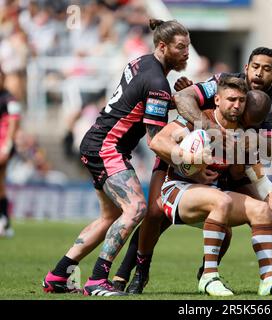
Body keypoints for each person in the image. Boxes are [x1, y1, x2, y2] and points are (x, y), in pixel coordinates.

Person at [113, 47, 272, 294]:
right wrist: (203, 141)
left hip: (227, 167)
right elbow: (181, 103)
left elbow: (269, 153)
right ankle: (132, 275)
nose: (260, 73)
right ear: (246, 68)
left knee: (259, 212)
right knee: (155, 213)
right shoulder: (223, 83)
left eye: (267, 69)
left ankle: (270, 280)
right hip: (184, 166)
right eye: (256, 67)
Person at [42, 18, 190, 296]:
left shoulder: (142, 63)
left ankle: (58, 275)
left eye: (188, 47)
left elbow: (139, 100)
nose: (187, 53)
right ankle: (98, 280)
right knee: (135, 208)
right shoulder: (157, 81)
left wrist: (175, 99)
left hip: (97, 141)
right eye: (181, 47)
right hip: (107, 147)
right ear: (162, 46)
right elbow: (156, 141)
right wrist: (191, 160)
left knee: (109, 216)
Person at [150, 76, 272, 296]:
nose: (236, 105)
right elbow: (158, 142)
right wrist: (189, 157)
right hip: (176, 191)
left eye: (241, 100)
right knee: (221, 199)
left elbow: (258, 177)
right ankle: (209, 277)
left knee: (260, 210)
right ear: (217, 100)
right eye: (231, 99)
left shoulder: (242, 136)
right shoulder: (200, 122)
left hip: (212, 196)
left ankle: (269, 282)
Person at [0, 66, 21, 238]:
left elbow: (14, 122)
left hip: (3, 145)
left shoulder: (9, 99)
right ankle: (5, 221)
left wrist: (7, 145)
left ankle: (4, 220)